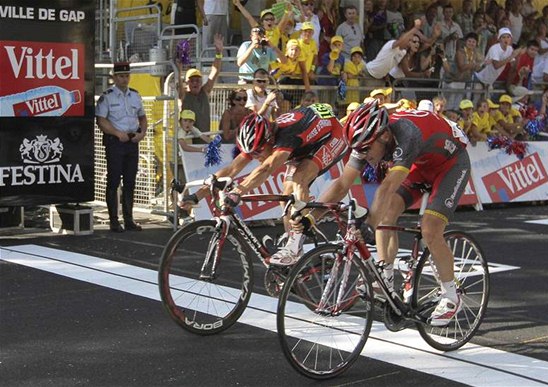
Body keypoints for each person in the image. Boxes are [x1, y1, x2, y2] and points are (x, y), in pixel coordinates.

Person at [298, 101, 471, 326]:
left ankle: (451, 295)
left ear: (385, 137)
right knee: (387, 215)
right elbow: (342, 184)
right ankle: (385, 277)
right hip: (420, 165)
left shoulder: (408, 134)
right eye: (358, 150)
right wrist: (312, 216)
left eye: (367, 150)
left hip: (451, 165)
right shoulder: (366, 140)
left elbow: (388, 187)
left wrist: (369, 224)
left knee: (430, 229)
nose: (363, 155)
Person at [179, 103, 349, 266]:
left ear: (270, 140)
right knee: (287, 195)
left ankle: (295, 245)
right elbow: (231, 169)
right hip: (305, 143)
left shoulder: (287, 136)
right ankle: (291, 240)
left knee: (300, 178)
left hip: (331, 135)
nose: (256, 156)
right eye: (251, 153)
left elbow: (266, 169)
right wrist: (197, 195)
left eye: (259, 151)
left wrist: (238, 190)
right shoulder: (259, 140)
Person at [96, 62, 147, 233]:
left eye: (127, 76)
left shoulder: (135, 95)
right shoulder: (108, 96)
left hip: (132, 141)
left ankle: (129, 219)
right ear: (115, 77)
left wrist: (142, 133)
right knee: (113, 181)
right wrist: (117, 133)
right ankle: (113, 220)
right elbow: (101, 120)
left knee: (130, 181)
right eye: (121, 76)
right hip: (116, 141)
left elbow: (142, 117)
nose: (125, 79)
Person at [177, 34, 224, 133]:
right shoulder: (183, 95)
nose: (195, 83)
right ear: (187, 82)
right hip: (188, 141)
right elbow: (178, 77)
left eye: (198, 80)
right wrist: (180, 65)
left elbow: (214, 72)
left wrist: (218, 53)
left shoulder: (204, 92)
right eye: (192, 80)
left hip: (204, 140)